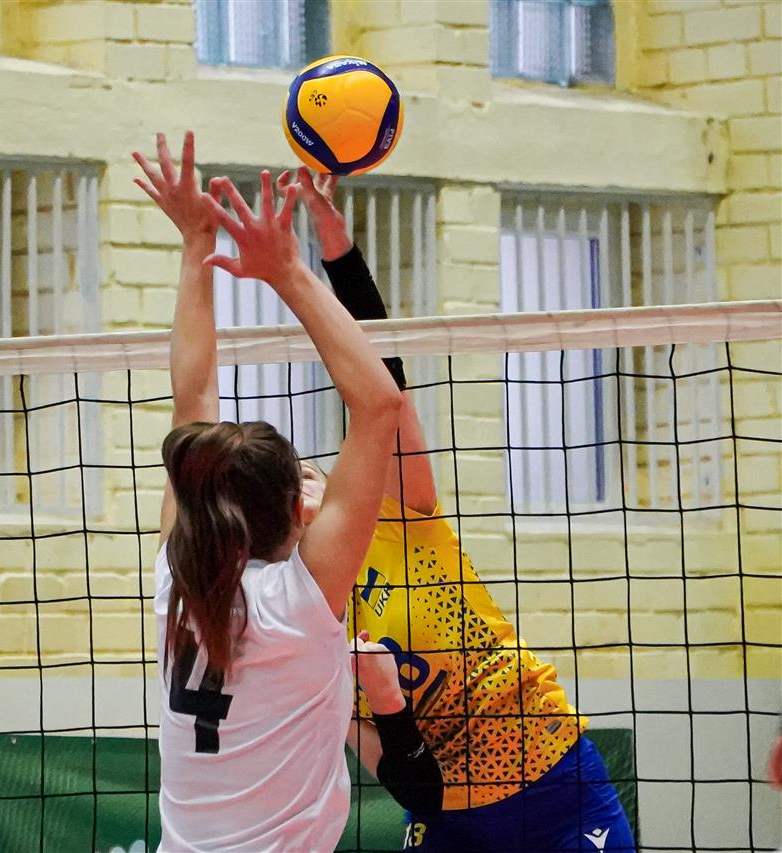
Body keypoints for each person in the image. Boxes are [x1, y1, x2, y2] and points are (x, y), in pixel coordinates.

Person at [282, 165, 636, 852]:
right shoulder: (290, 609)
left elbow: (383, 382)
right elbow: (382, 762)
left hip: (552, 784)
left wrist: (337, 251)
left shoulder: (395, 513)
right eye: (281, 481)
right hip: (446, 811)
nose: (298, 480)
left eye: (306, 468)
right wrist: (388, 714)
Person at [133, 130, 433, 851]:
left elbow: (193, 397)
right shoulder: (291, 601)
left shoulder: (180, 582)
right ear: (299, 511)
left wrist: (198, 243)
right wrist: (286, 271)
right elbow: (379, 404)